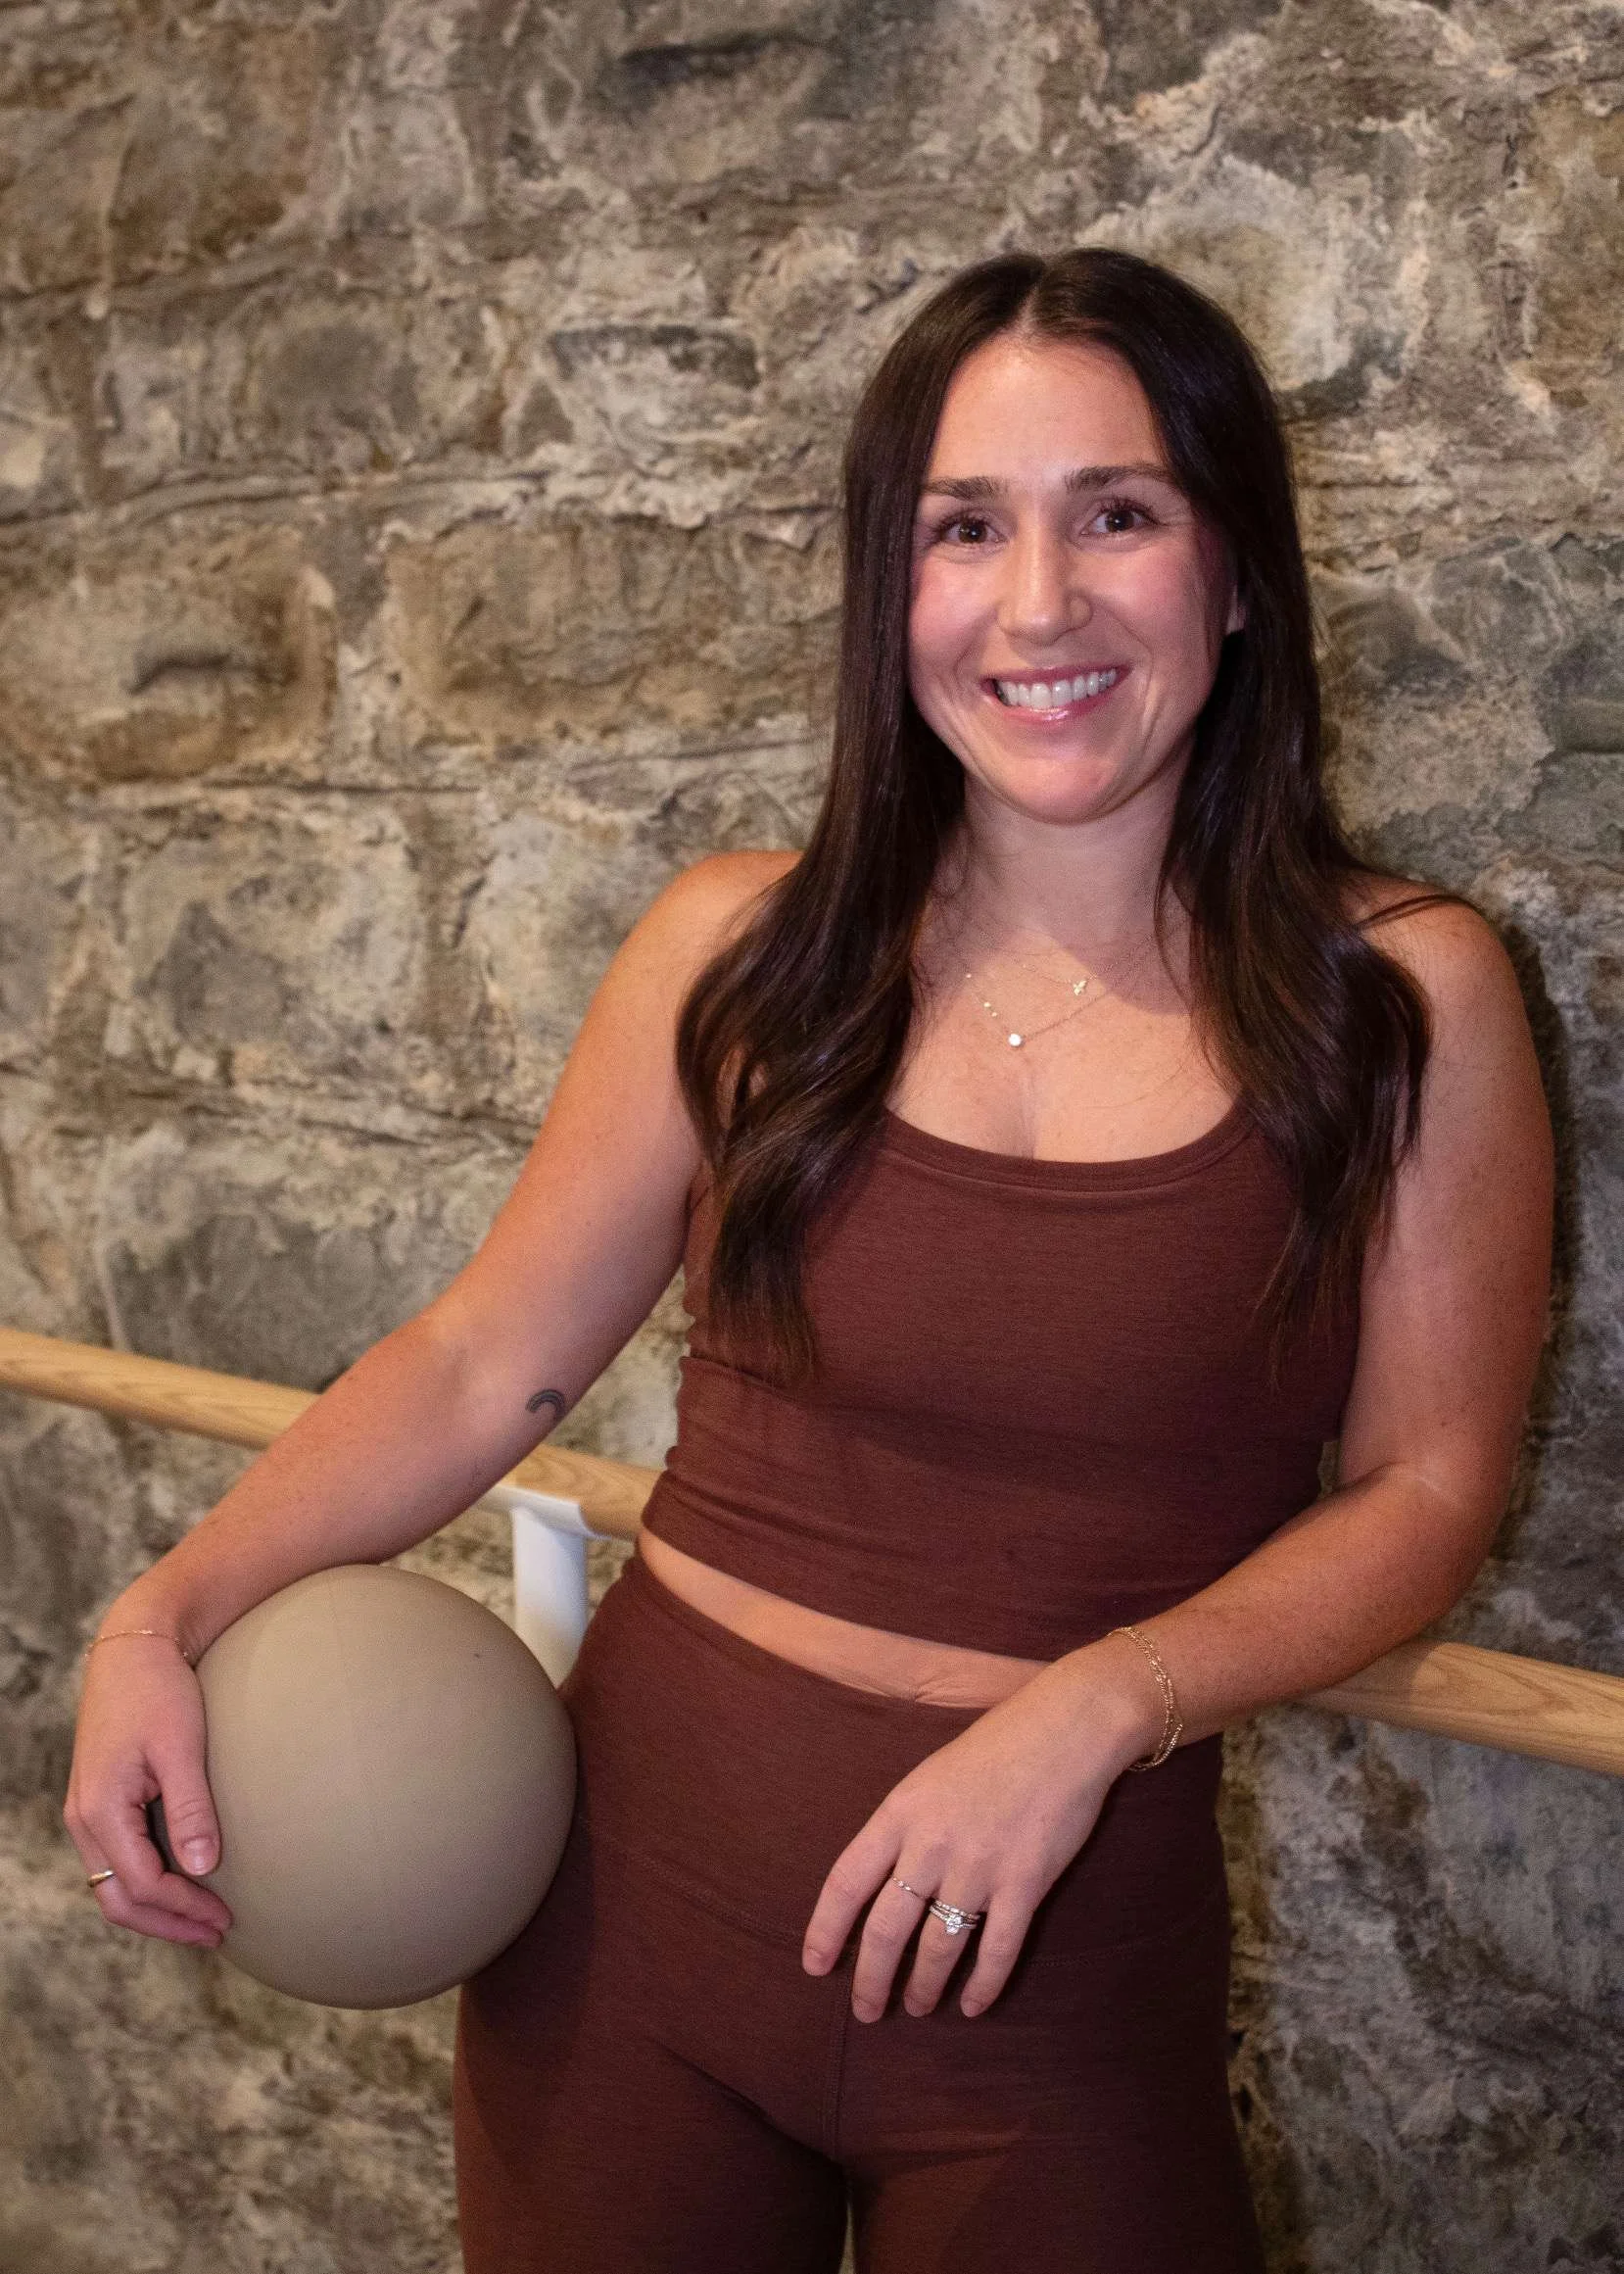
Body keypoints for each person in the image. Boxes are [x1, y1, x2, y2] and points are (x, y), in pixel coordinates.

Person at [65, 249, 1553, 2271]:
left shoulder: (1409, 998)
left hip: (1058, 1989)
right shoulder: (736, 954)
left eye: (1115, 510)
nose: (1037, 604)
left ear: (1233, 570)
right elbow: (484, 1351)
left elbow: (1428, 1487)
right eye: (964, 529)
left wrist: (1099, 1702)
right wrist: (164, 1609)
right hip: (628, 1946)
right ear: (891, 592)